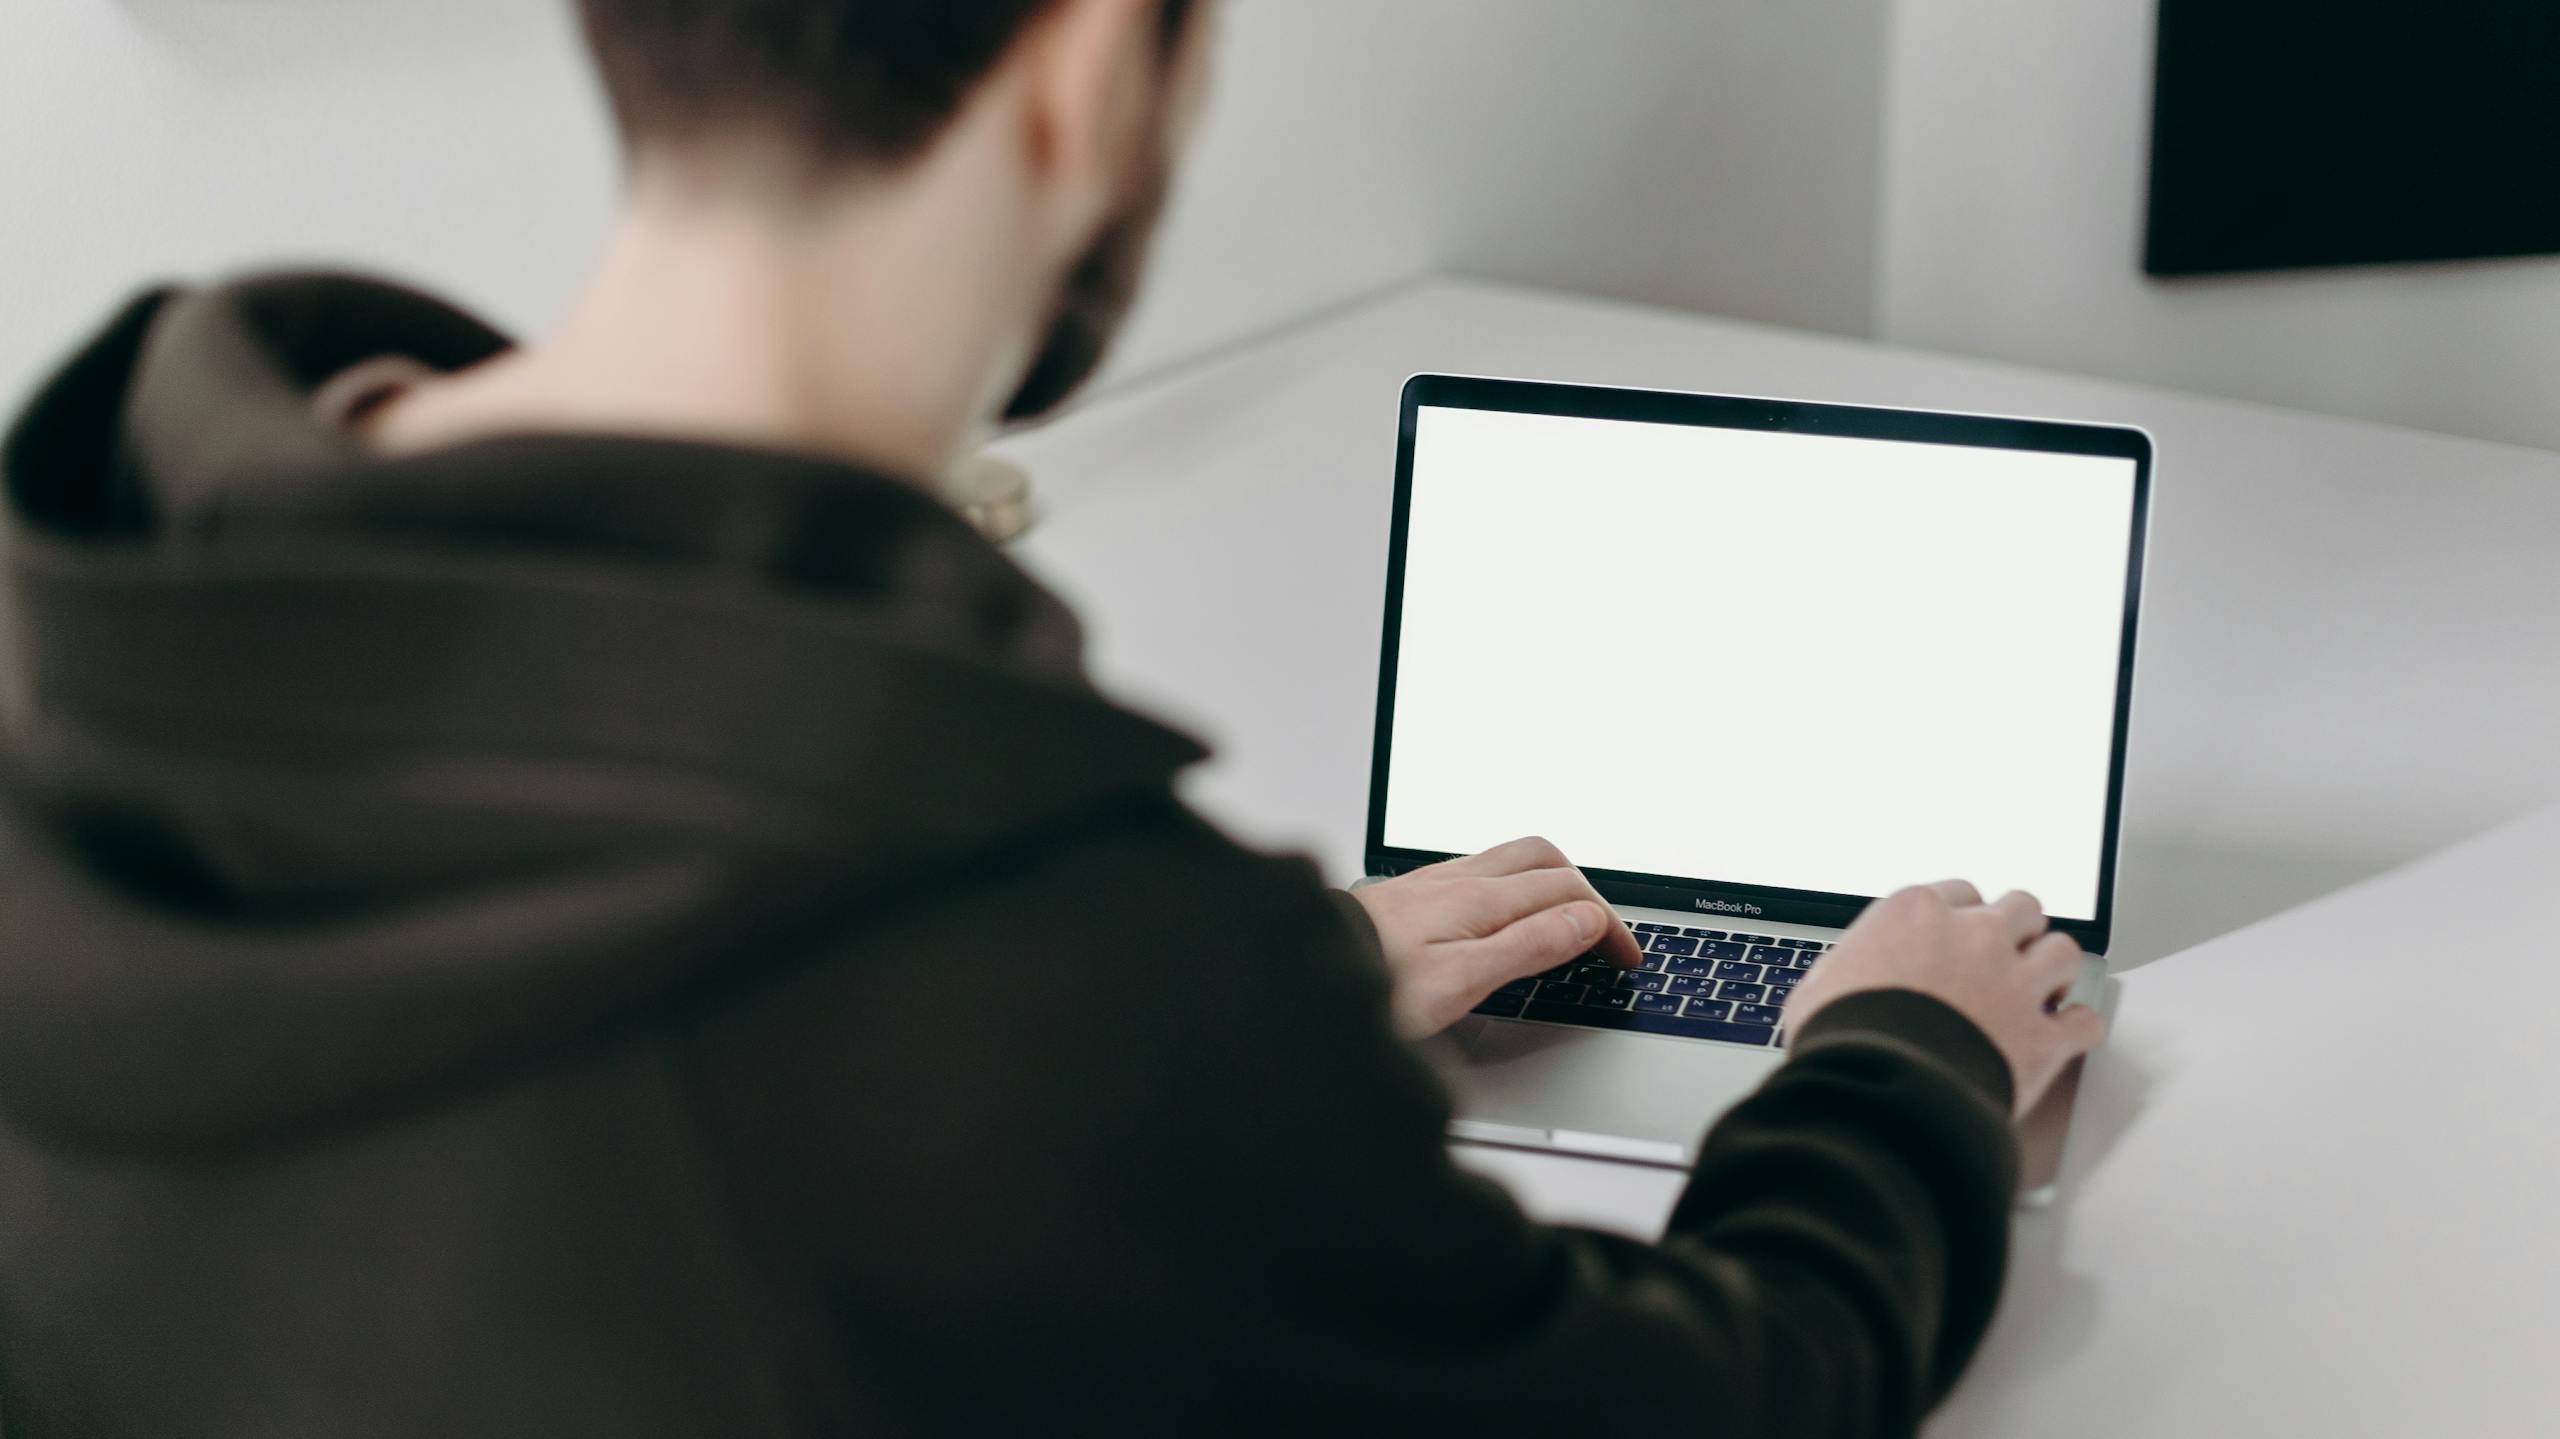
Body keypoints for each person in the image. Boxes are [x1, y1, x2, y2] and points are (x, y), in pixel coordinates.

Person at [0, 1, 2105, 1433]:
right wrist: (1896, 1060)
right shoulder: (1020, 974)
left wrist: (1221, 1042)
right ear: (1091, 71)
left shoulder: (98, 599)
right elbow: (1695, 1402)